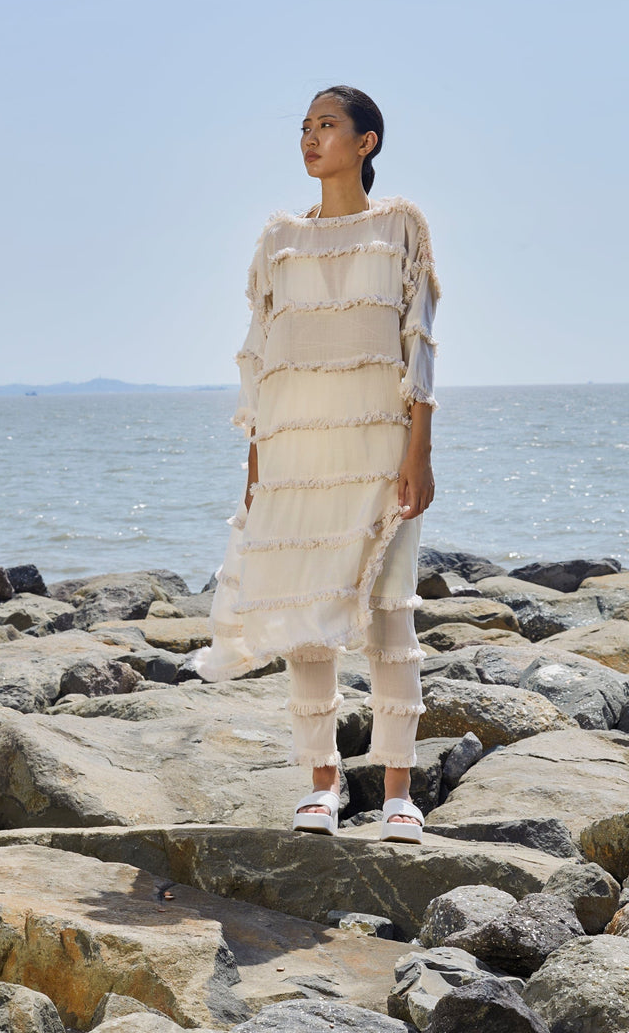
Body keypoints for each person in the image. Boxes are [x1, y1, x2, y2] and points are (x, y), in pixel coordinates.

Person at [192, 84, 440, 843]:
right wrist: (256, 465)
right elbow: (262, 360)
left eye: (327, 125)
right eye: (304, 126)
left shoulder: (400, 226)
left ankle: (398, 792)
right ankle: (321, 785)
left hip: (377, 449)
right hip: (295, 452)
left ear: (366, 142)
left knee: (389, 613)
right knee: (304, 619)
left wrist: (419, 452)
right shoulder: (278, 240)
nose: (310, 137)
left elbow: (419, 346)